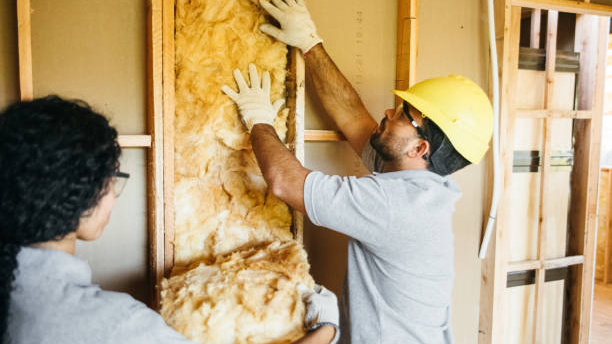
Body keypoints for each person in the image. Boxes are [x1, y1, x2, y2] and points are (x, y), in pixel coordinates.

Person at [221, 1, 494, 343]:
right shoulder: (419, 185)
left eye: (403, 115)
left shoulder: (394, 204)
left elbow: (284, 181)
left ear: (419, 149)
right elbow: (352, 116)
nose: (388, 112)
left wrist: (258, 118)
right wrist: (309, 42)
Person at [0, 96, 339, 344]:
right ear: (77, 193)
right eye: (111, 180)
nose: (112, 196)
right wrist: (326, 328)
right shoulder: (111, 324)